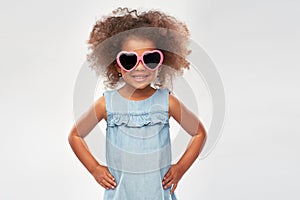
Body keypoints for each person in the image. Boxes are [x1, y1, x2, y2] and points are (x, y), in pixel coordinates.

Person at [68, 7, 207, 200]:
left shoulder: (166, 101)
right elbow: (75, 135)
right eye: (129, 60)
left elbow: (199, 133)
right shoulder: (106, 104)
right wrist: (95, 169)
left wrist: (181, 168)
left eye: (150, 59)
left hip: (158, 194)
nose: (140, 67)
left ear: (161, 63)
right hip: (121, 194)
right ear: (117, 65)